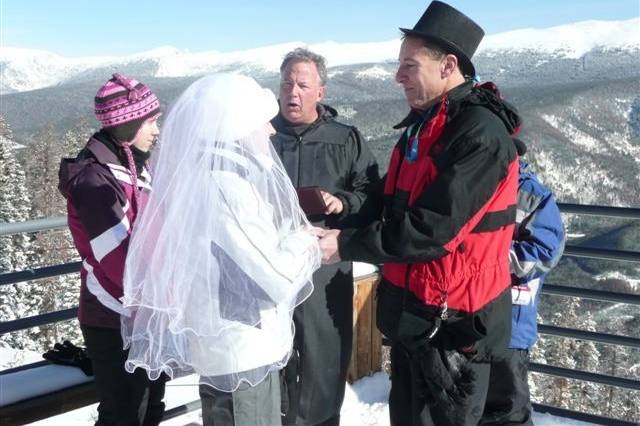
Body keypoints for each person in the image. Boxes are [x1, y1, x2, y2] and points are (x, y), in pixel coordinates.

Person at [318, 2, 523, 425]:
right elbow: (392, 203)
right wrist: (344, 209)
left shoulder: (480, 135)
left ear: (449, 66)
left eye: (409, 66)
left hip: (455, 332)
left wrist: (345, 245)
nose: (398, 77)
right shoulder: (425, 126)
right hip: (417, 320)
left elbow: (431, 229)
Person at [120, 73, 321, 426]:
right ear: (238, 127)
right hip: (243, 349)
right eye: (263, 123)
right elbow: (276, 276)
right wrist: (305, 240)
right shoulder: (228, 186)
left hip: (225, 345)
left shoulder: (204, 175)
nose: (271, 131)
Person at [271, 47, 380, 425]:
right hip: (270, 269)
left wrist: (343, 203)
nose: (293, 92)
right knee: (274, 360)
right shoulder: (261, 139)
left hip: (325, 265)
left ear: (321, 91)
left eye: (303, 84)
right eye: (287, 83)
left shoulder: (344, 139)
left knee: (323, 358)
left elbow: (372, 195)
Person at [58, 73, 166, 426]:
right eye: (151, 121)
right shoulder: (94, 181)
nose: (156, 130)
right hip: (112, 317)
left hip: (143, 313)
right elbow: (118, 262)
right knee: (123, 415)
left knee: (149, 407)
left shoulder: (132, 166)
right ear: (127, 124)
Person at [480, 140, 566, 425]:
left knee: (507, 408)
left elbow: (545, 250)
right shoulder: (467, 184)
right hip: (466, 317)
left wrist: (489, 261)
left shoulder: (530, 194)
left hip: (511, 325)